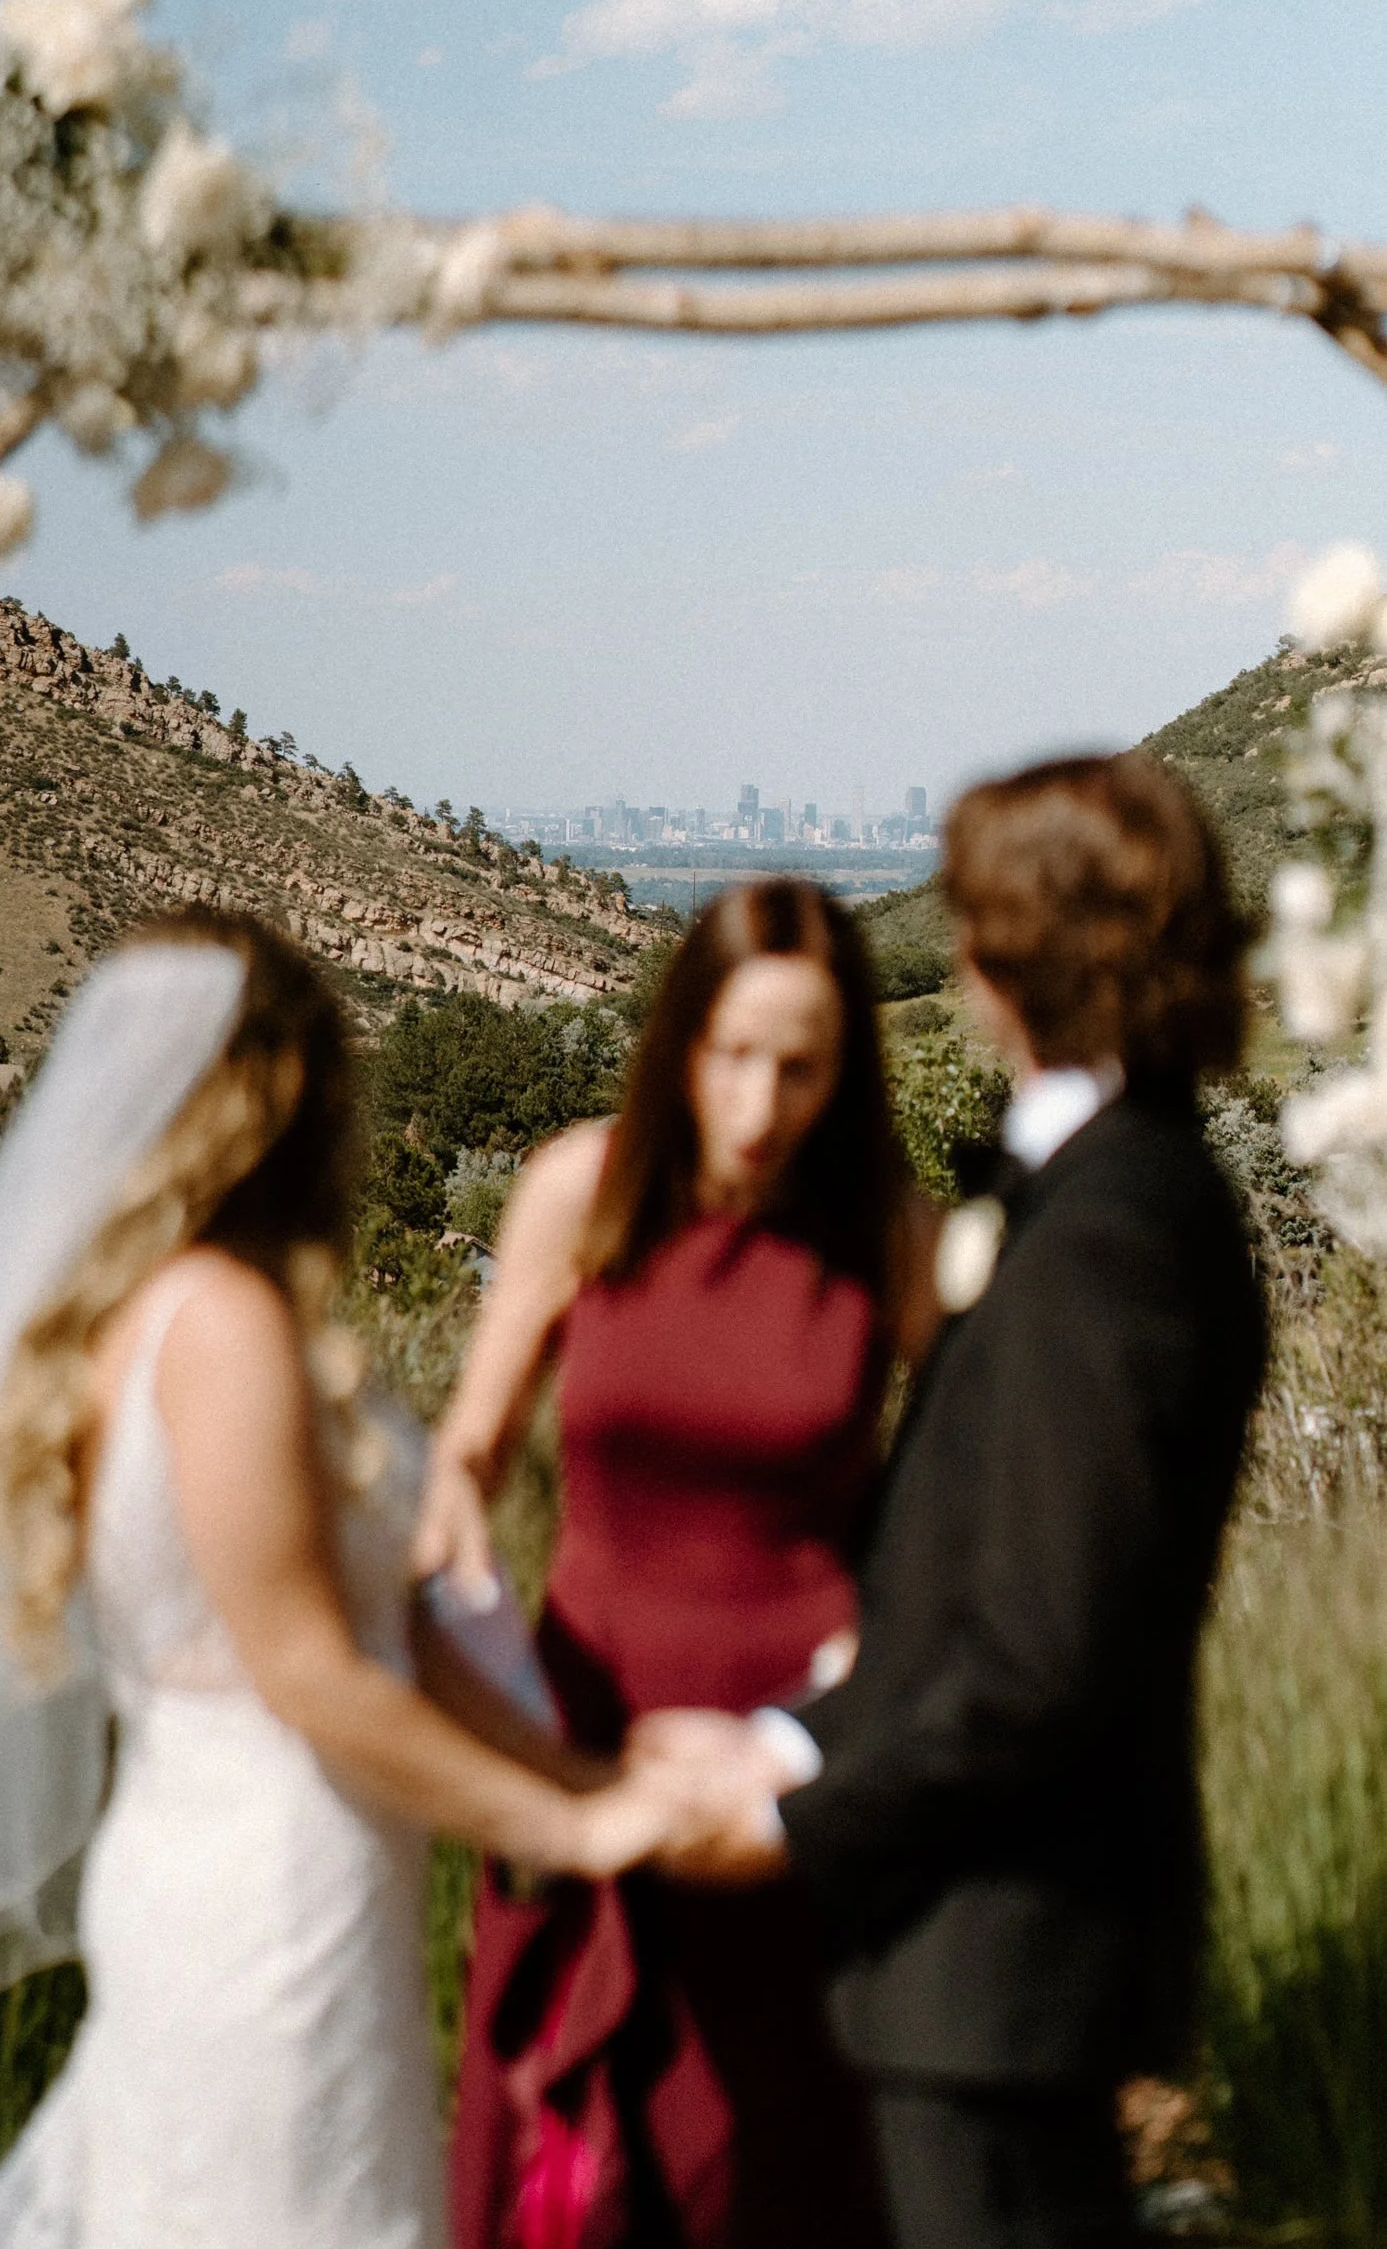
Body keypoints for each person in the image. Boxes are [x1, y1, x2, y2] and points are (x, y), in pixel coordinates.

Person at [0, 908, 702, 2249]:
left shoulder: (139, 1320)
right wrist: (564, 1831)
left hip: (239, 1865)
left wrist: (588, 1776)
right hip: (272, 1891)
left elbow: (385, 1632)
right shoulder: (222, 1326)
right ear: (283, 1100)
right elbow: (307, 1667)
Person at [641, 755, 1265, 2249]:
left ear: (992, 963)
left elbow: (1036, 1660)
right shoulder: (1122, 1192)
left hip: (997, 1963)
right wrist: (779, 1736)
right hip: (977, 1967)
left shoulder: (1110, 1233)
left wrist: (795, 1821)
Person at [414, 877, 937, 2249]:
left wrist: (862, 1692)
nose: (760, 1106)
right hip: (589, 1736)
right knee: (575, 2163)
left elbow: (962, 1508)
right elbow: (471, 1441)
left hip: (789, 1771)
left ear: (848, 1065)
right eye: (730, 1056)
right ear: (676, 1042)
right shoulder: (577, 1190)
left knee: (775, 2165)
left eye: (802, 1065)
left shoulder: (889, 1227)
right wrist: (449, 1513)